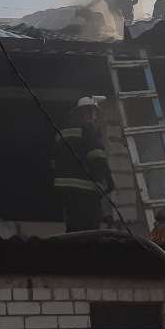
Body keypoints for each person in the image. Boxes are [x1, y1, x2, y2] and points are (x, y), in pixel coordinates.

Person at [52, 96, 114, 232]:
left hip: (66, 188)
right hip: (85, 187)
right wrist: (109, 179)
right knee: (90, 227)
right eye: (94, 113)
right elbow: (96, 155)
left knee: (73, 225)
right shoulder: (88, 128)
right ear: (86, 112)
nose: (95, 118)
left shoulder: (62, 131)